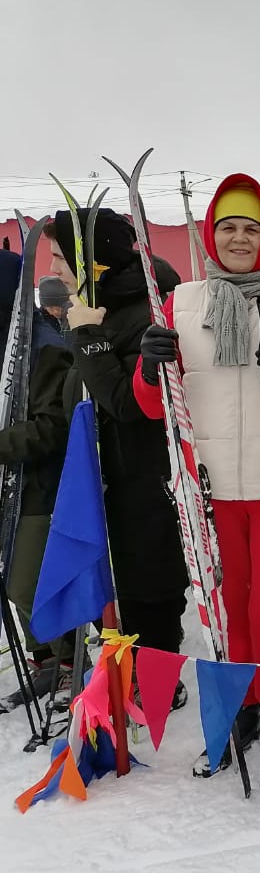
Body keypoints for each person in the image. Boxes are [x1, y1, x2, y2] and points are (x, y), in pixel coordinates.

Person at [134, 174, 260, 773]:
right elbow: (154, 405)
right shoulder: (181, 302)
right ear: (210, 235)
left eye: (251, 228)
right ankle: (240, 705)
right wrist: (149, 366)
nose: (239, 238)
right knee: (227, 604)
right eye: (228, 228)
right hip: (211, 484)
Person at [46, 210, 189, 661]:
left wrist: (88, 335)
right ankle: (122, 676)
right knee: (109, 595)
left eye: (59, 257)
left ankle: (156, 681)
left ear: (91, 261)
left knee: (148, 596)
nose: (52, 269)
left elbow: (128, 405)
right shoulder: (94, 307)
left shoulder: (147, 310)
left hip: (145, 484)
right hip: (102, 482)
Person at [0, 249, 76, 700]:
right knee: (13, 584)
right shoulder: (7, 342)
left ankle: (70, 662)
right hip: (9, 486)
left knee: (26, 584)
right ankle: (46, 661)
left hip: (40, 487)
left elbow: (53, 428)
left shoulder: (43, 346)